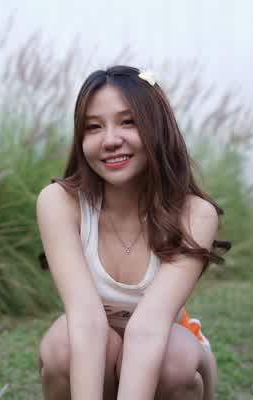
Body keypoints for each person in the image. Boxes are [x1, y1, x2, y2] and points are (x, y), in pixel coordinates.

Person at [35, 65, 231, 400]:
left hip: (163, 351)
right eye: (93, 127)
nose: (111, 140)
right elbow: (85, 319)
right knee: (60, 347)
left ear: (158, 128)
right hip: (94, 353)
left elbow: (149, 328)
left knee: (175, 360)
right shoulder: (60, 203)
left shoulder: (195, 214)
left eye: (128, 122)